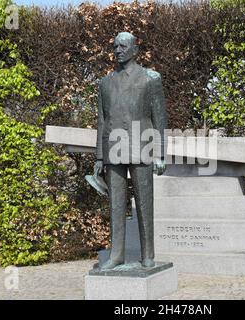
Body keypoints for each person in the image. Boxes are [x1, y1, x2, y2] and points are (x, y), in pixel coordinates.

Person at [94, 32, 167, 270]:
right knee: (115, 205)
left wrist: (160, 154)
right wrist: (99, 156)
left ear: (135, 49)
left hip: (141, 147)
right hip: (113, 149)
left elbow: (159, 119)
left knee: (145, 203)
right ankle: (116, 255)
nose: (117, 50)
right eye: (115, 46)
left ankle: (148, 253)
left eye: (123, 46)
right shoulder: (105, 82)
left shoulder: (150, 78)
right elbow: (102, 121)